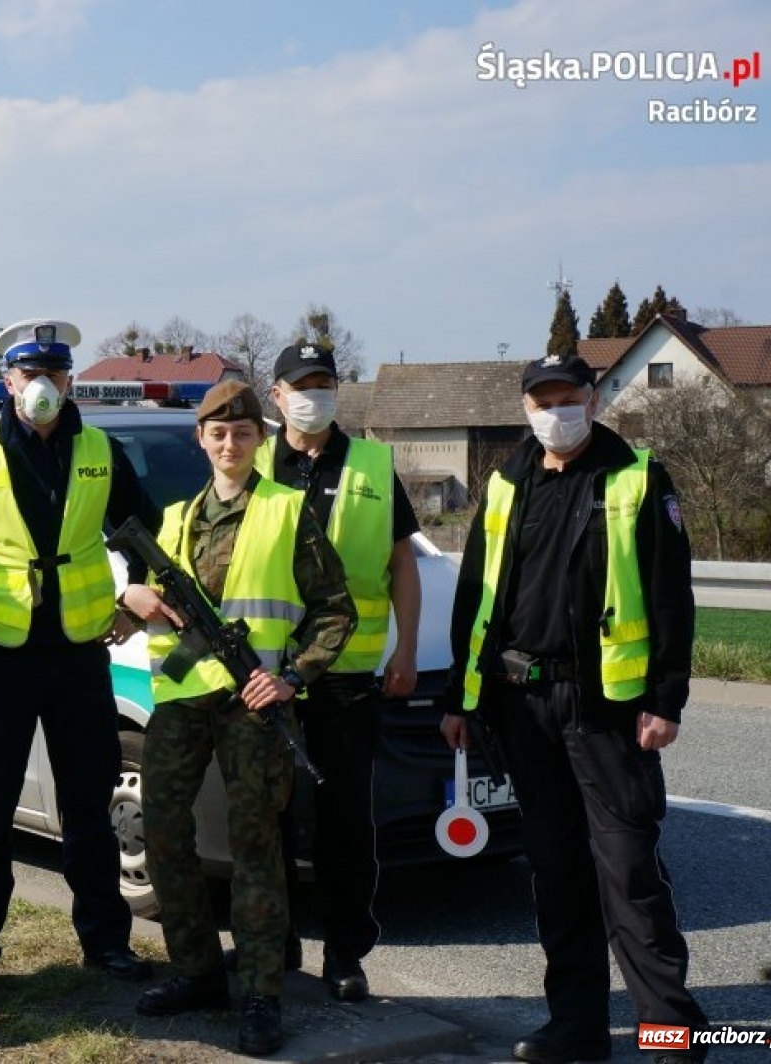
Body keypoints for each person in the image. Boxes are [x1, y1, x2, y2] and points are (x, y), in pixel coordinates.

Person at [442, 353, 707, 1064]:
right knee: (556, 874)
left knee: (628, 873)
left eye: (567, 398)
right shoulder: (505, 481)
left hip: (608, 711)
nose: (555, 412)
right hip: (522, 705)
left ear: (592, 400)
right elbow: (477, 598)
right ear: (526, 407)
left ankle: (670, 1033)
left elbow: (671, 597)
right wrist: (461, 699)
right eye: (542, 400)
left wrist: (665, 697)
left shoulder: (636, 476)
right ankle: (578, 1026)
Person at [0, 318, 160, 995]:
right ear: (9, 383)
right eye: (30, 375)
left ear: (69, 381)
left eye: (55, 374)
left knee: (88, 809)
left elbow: (144, 528)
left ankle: (107, 945)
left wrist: (126, 593)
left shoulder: (101, 451)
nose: (43, 386)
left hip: (79, 655)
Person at [120, 380, 356, 1057]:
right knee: (161, 833)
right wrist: (129, 595)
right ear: (201, 440)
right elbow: (128, 618)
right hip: (180, 698)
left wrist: (291, 679)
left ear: (261, 439)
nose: (230, 444)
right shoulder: (170, 520)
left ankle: (259, 991)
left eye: (243, 433)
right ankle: (196, 972)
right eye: (218, 434)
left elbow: (336, 610)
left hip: (254, 702)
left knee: (255, 846)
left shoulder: (287, 510)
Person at [258, 341, 422, 1001]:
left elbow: (402, 564)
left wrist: (406, 648)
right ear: (277, 396)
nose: (313, 394)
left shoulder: (375, 465)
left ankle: (346, 957)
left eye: (324, 383)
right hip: (266, 671)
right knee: (265, 817)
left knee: (345, 823)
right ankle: (278, 944)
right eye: (301, 384)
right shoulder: (253, 462)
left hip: (349, 677)